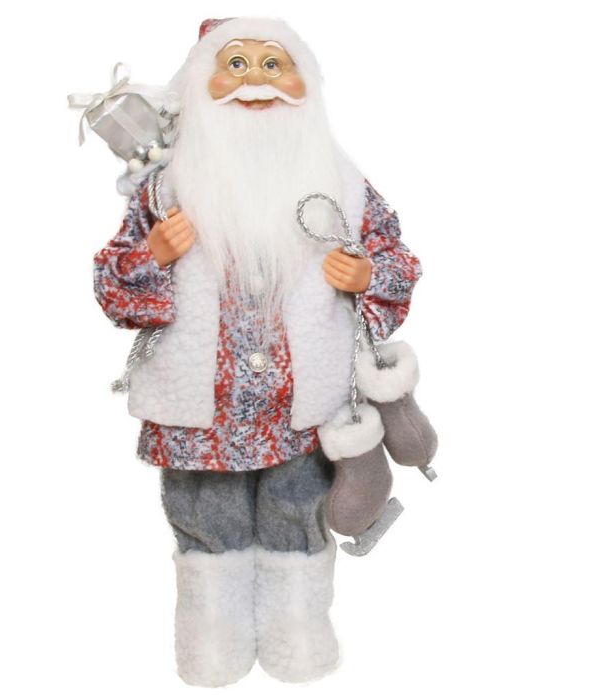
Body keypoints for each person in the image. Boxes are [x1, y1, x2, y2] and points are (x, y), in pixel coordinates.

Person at [93, 17, 422, 687]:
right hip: (200, 419)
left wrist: (367, 275)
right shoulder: (165, 189)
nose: (255, 82)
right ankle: (211, 646)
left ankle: (298, 641)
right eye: (235, 65)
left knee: (299, 520)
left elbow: (395, 257)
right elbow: (114, 288)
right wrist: (154, 255)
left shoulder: (342, 182)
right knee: (205, 526)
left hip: (303, 412)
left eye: (274, 65)